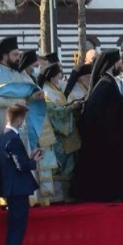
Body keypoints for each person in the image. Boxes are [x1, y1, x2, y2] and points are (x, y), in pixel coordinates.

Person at [71, 49, 123, 202]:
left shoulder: (106, 81)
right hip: (106, 136)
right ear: (112, 64)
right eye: (118, 62)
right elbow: (118, 108)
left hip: (106, 133)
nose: (121, 65)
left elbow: (114, 106)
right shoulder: (107, 83)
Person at [0, 104, 43, 245]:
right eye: (23, 119)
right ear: (18, 119)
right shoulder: (13, 138)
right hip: (18, 190)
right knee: (17, 229)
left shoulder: (5, 136)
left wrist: (28, 158)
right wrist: (34, 161)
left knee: (15, 229)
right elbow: (21, 166)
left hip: (14, 189)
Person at [42, 63, 83, 203]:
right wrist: (71, 108)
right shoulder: (46, 92)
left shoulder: (56, 89)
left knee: (68, 165)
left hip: (67, 134)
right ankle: (56, 197)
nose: (61, 76)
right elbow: (53, 112)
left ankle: (66, 195)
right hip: (57, 135)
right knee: (58, 165)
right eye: (60, 73)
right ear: (53, 77)